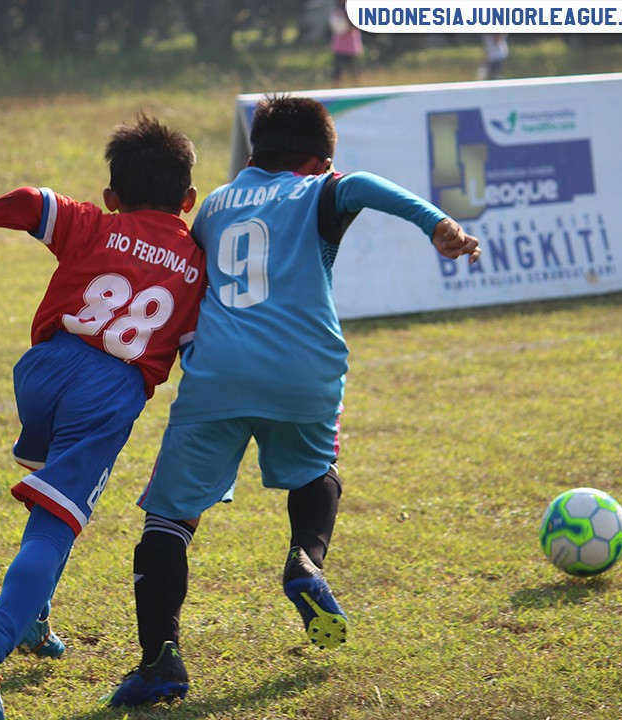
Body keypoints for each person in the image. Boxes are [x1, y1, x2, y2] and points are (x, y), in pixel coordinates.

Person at [105, 94, 481, 707]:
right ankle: (305, 562)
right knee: (315, 470)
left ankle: (160, 663)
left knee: (168, 521)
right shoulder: (318, 190)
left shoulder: (217, 205)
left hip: (218, 376)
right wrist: (435, 223)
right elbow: (359, 186)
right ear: (315, 160)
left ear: (257, 153)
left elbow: (183, 276)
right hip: (304, 371)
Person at [0, 115, 205, 720]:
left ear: (113, 197)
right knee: (55, 522)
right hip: (108, 389)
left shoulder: (94, 223)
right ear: (189, 201)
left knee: (49, 502)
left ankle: (36, 619)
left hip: (41, 369)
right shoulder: (197, 263)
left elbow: (23, 201)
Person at [329, 3, 364, 87]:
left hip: (351, 48)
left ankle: (357, 89)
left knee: (354, 73)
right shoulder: (336, 11)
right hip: (339, 47)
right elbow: (334, 26)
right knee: (338, 74)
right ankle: (337, 91)